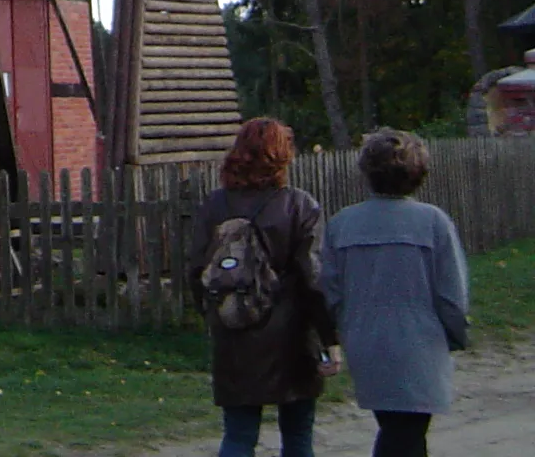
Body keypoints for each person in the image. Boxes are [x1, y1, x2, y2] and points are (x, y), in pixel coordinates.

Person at [187, 118, 339, 457]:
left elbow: (198, 268)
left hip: (235, 330)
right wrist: (330, 339)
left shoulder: (215, 205)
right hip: (293, 337)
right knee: (298, 435)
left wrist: (213, 314)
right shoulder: (299, 205)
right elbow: (313, 278)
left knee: (239, 436)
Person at [324, 130, 469, 457]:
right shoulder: (433, 222)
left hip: (366, 342)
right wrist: (457, 335)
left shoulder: (343, 224)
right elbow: (452, 295)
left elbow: (332, 292)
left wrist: (342, 330)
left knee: (400, 432)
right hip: (421, 343)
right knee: (405, 435)